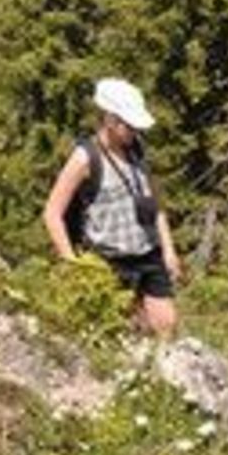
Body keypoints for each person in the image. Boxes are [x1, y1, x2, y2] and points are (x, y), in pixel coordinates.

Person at [43, 78, 181, 340]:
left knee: (167, 326)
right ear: (109, 119)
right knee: (119, 333)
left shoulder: (138, 151)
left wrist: (169, 250)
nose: (134, 131)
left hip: (148, 254)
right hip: (108, 260)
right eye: (129, 125)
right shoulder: (85, 158)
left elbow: (156, 204)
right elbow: (52, 212)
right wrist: (72, 262)